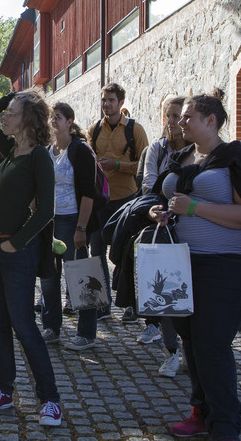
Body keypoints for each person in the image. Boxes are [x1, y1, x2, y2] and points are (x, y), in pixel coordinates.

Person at [148, 93, 241, 440]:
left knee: (211, 343)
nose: (180, 121)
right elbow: (164, 198)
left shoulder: (233, 159)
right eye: (180, 117)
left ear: (211, 121)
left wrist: (194, 209)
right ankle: (200, 412)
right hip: (182, 263)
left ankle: (226, 425)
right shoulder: (181, 156)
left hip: (228, 264)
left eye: (188, 116)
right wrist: (157, 211)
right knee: (190, 339)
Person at [0, 91, 62, 427]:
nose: (4, 118)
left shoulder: (39, 157)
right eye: (7, 112)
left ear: (28, 119)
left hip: (16, 254)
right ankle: (4, 390)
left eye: (11, 113)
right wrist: (15, 95)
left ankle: (50, 399)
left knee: (24, 325)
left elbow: (46, 212)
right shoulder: (10, 150)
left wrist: (17, 242)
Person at [38, 102, 100, 351]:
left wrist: (81, 229)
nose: (53, 121)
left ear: (70, 121)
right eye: (51, 117)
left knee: (81, 276)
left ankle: (87, 333)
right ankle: (51, 327)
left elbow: (88, 193)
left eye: (58, 117)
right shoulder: (47, 150)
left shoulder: (81, 151)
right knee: (48, 277)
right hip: (49, 221)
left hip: (73, 219)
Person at [89, 82, 149, 322]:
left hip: (127, 198)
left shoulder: (135, 129)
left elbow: (144, 166)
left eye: (111, 100)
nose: (106, 104)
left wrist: (117, 165)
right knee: (96, 251)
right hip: (100, 200)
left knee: (126, 252)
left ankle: (131, 304)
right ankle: (102, 304)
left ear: (121, 103)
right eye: (104, 100)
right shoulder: (94, 129)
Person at [140, 95, 188, 378]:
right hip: (165, 228)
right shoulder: (157, 149)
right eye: (168, 115)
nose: (173, 122)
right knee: (167, 292)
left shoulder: (200, 152)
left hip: (194, 230)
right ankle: (171, 351)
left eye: (178, 116)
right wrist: (158, 209)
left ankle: (196, 352)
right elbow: (148, 188)